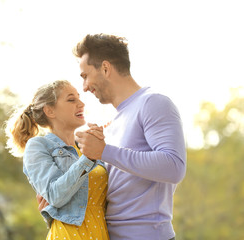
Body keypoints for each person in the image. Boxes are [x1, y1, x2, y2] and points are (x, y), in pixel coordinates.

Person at [73, 34, 187, 240]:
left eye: (85, 76)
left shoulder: (153, 103)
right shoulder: (114, 121)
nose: (85, 87)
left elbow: (174, 166)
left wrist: (104, 151)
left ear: (106, 68)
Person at [5, 80, 110, 240]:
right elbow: (55, 195)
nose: (81, 103)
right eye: (71, 99)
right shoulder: (38, 145)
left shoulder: (85, 147)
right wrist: (88, 158)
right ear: (50, 111)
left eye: (79, 98)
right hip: (68, 235)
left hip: (100, 233)